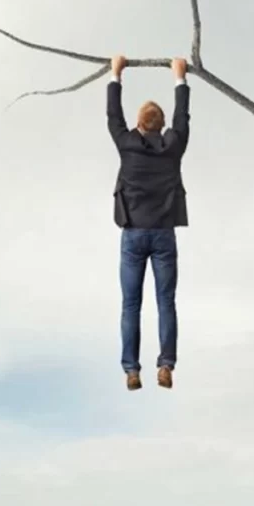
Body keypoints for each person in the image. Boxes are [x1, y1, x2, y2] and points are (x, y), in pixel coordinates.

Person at [107, 55, 190, 391]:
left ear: (139, 126)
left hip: (133, 234)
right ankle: (166, 365)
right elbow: (182, 120)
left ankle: (131, 370)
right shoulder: (173, 146)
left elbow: (114, 115)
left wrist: (116, 72)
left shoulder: (127, 144)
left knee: (131, 304)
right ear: (162, 126)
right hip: (163, 235)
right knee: (165, 301)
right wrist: (179, 77)